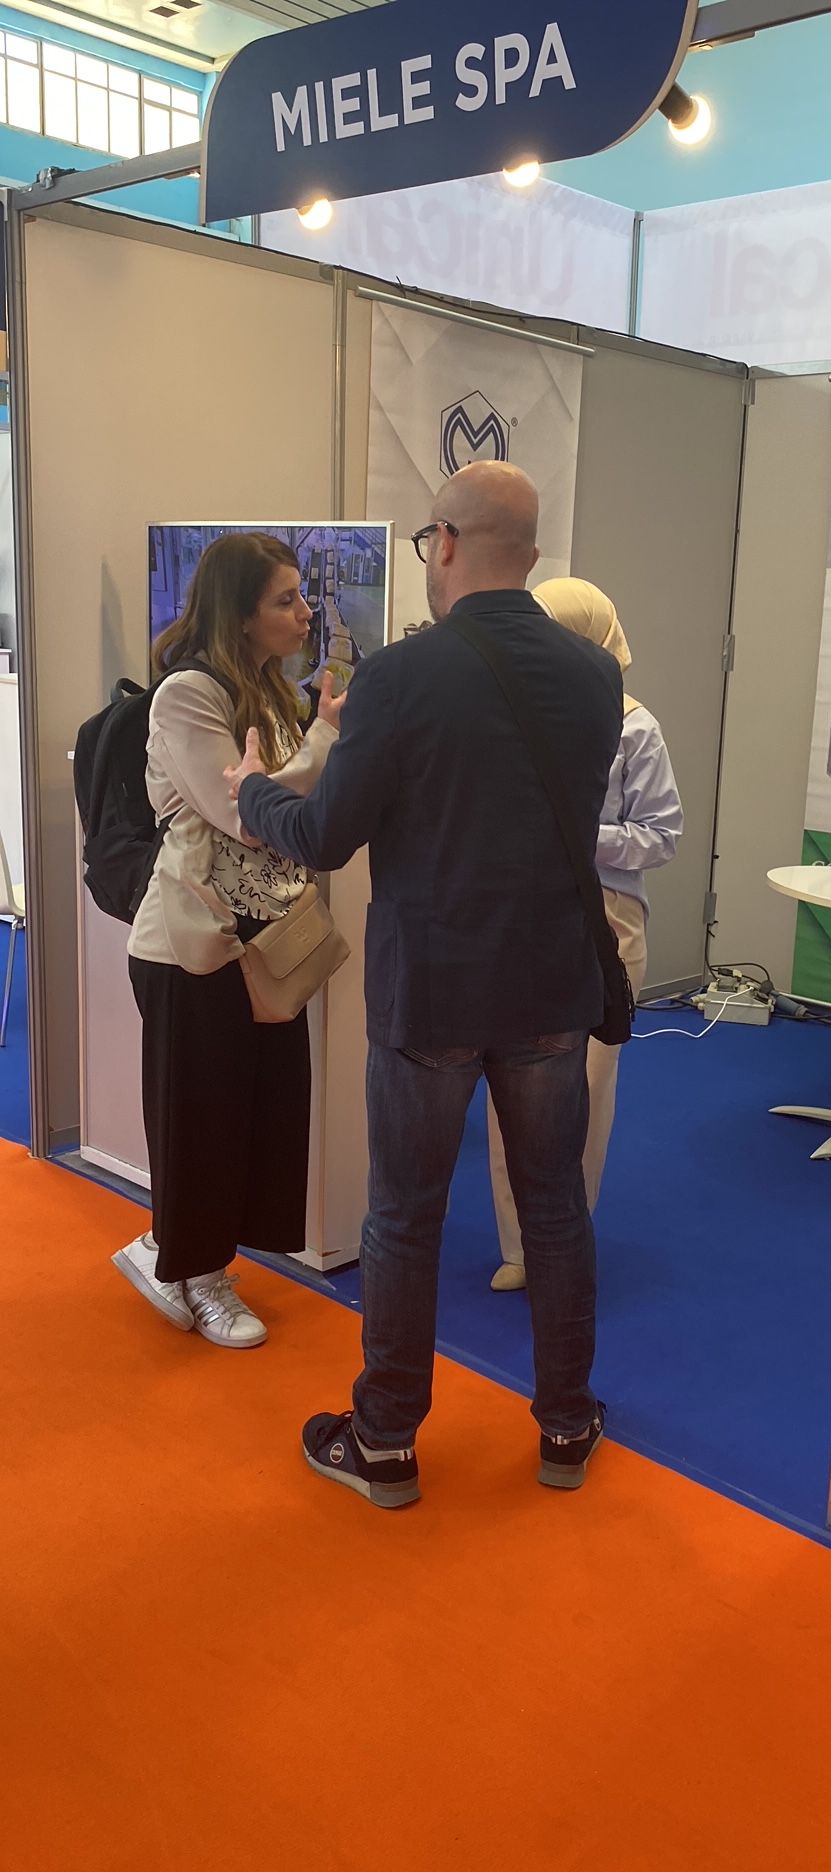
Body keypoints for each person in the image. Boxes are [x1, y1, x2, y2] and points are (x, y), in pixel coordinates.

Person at [227, 462, 623, 1508]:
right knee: (554, 1211)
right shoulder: (595, 676)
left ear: (444, 541)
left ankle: (387, 1440)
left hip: (433, 994)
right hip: (550, 988)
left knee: (404, 1218)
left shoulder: (400, 677)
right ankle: (568, 1424)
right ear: (527, 553)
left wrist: (253, 792)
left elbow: (323, 835)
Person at [113, 533, 344, 1349]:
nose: (305, 611)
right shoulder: (188, 694)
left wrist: (313, 752)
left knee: (262, 1111)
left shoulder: (272, 693)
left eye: (301, 595)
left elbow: (288, 806)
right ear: (240, 614)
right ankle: (197, 1272)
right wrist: (322, 744)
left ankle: (172, 1253)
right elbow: (246, 815)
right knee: (202, 1116)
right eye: (285, 599)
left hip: (266, 938)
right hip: (194, 944)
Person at [487, 579, 683, 1291]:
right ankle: (518, 1246)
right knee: (511, 1083)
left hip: (606, 921)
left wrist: (578, 837)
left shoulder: (634, 726)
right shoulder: (508, 712)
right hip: (519, 914)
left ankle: (563, 1238)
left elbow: (661, 835)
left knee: (585, 1090)